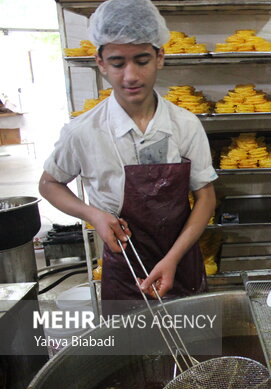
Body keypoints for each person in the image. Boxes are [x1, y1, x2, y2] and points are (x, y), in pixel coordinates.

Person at [39, 0, 217, 304]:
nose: (131, 76)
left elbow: (206, 197)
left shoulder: (185, 125)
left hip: (180, 259)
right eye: (118, 63)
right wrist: (92, 214)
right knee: (130, 348)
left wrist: (172, 259)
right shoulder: (83, 132)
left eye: (142, 60)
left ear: (160, 57)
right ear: (101, 62)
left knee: (195, 342)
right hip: (123, 265)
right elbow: (49, 184)